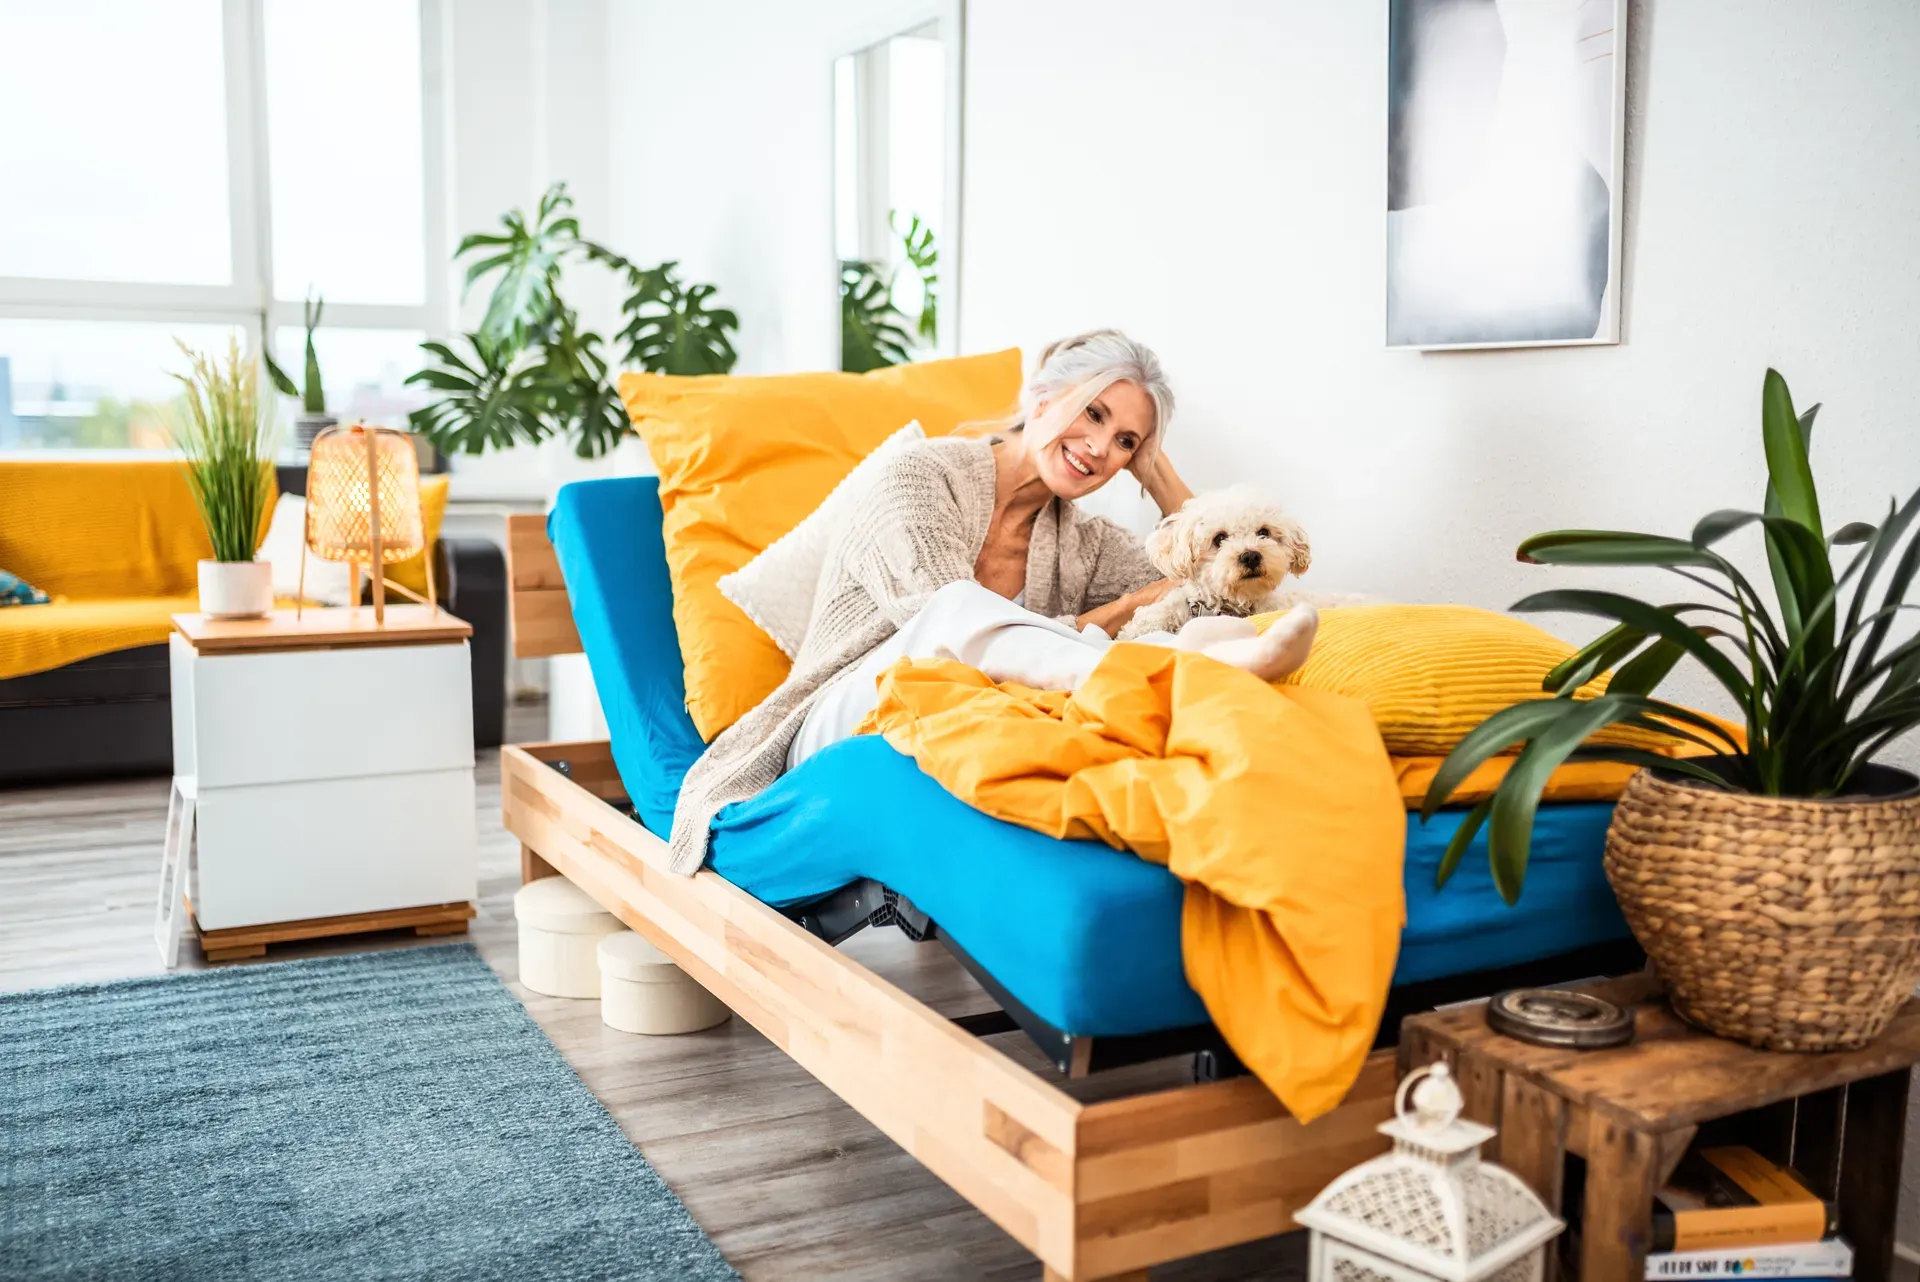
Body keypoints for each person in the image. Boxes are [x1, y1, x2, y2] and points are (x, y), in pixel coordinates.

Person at [663, 329, 1318, 873]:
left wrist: (1156, 472)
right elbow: (931, 621)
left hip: (963, 720)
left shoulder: (1083, 541)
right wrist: (1107, 618)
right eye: (1094, 414)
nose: (1100, 449)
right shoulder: (920, 474)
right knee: (953, 613)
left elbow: (1209, 563)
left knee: (1176, 619)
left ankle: (1190, 663)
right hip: (845, 713)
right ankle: (1178, 677)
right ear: (1042, 397)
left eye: (1125, 441)